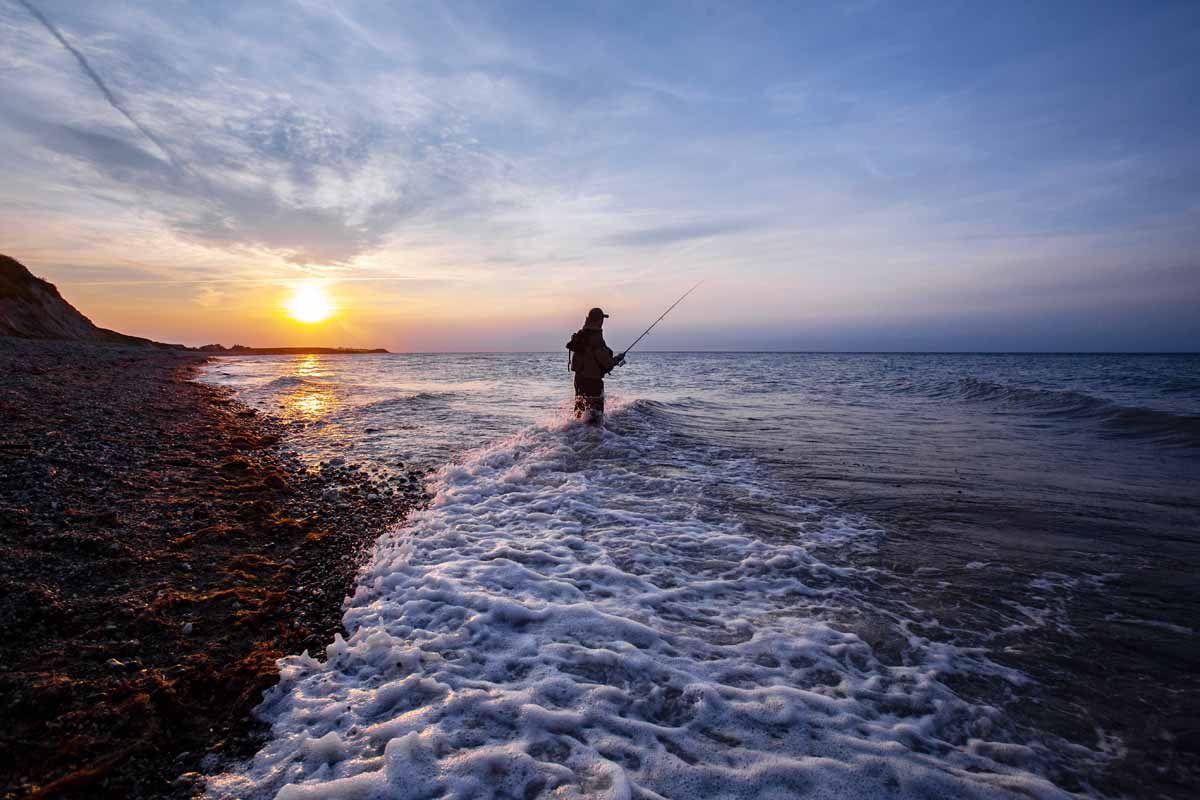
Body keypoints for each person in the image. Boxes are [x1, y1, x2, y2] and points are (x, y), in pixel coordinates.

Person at [566, 307, 624, 420]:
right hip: (593, 382)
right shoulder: (596, 339)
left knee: (579, 412)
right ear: (598, 320)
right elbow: (607, 364)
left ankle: (576, 433)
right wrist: (617, 359)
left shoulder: (582, 335)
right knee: (595, 416)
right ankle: (595, 437)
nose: (603, 322)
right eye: (602, 319)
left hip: (579, 380)